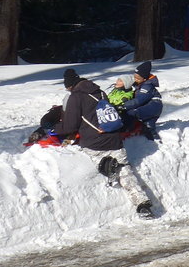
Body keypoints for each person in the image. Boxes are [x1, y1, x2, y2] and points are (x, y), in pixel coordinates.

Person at [50, 69, 156, 219]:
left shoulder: (76, 97)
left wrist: (54, 129)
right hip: (114, 138)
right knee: (126, 171)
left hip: (94, 142)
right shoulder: (100, 92)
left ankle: (107, 167)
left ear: (70, 86)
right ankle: (142, 205)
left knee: (99, 158)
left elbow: (70, 125)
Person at [123, 60, 163, 139]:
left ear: (144, 79)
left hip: (153, 106)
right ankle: (153, 138)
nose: (135, 79)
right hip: (150, 106)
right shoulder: (140, 85)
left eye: (138, 78)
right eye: (134, 77)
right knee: (148, 127)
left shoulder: (147, 87)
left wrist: (124, 106)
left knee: (132, 113)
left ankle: (125, 130)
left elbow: (139, 100)